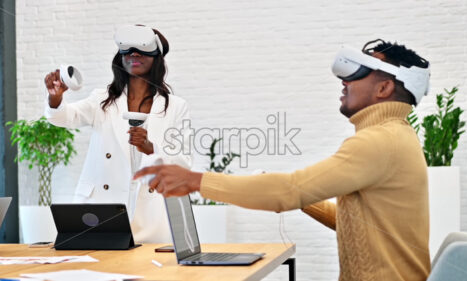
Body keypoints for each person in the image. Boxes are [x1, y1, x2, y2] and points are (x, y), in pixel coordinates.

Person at [134, 39, 432, 280]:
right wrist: (307, 197)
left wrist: (194, 180)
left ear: (384, 88)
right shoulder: (395, 136)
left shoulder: (378, 141)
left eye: (358, 74)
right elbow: (358, 222)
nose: (345, 82)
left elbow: (287, 191)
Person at [44, 25, 192, 243]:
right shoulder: (102, 99)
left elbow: (184, 163)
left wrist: (151, 148)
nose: (133, 54)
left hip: (151, 215)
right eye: (128, 49)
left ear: (156, 57)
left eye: (141, 49)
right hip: (102, 209)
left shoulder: (176, 107)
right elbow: (65, 117)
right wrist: (55, 98)